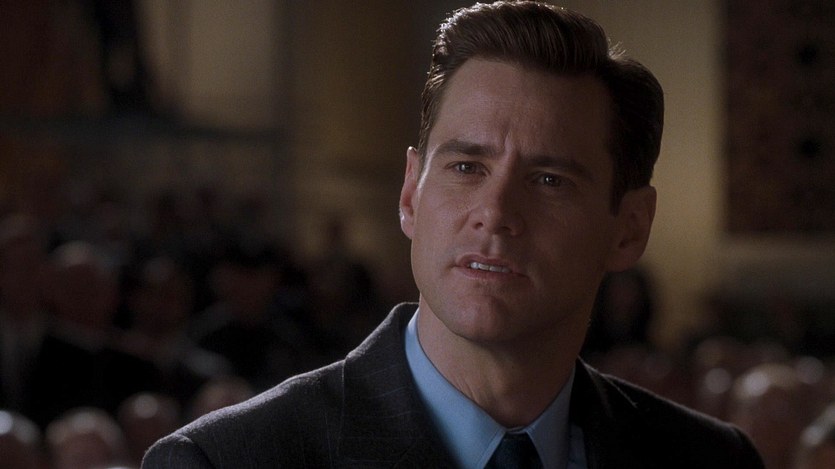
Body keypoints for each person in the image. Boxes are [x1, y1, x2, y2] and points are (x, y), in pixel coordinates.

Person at [142, 2, 764, 468]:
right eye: (467, 168)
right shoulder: (227, 461)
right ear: (410, 194)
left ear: (629, 229)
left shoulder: (712, 460)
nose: (495, 213)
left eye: (549, 180)